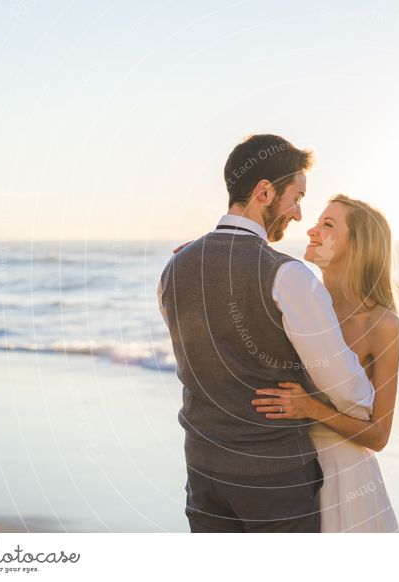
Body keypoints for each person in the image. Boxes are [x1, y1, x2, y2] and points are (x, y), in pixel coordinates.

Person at [158, 134, 374, 532]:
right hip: (274, 484)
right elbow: (348, 391)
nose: (296, 214)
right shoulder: (287, 275)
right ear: (263, 192)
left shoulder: (174, 267)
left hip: (203, 472)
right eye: (297, 197)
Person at [251, 194, 399, 532]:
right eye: (318, 222)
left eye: (328, 225)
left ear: (358, 244)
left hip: (347, 480)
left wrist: (313, 409)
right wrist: (206, 256)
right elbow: (249, 280)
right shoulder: (299, 303)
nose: (311, 231)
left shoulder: (382, 324)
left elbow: (379, 436)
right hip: (293, 475)